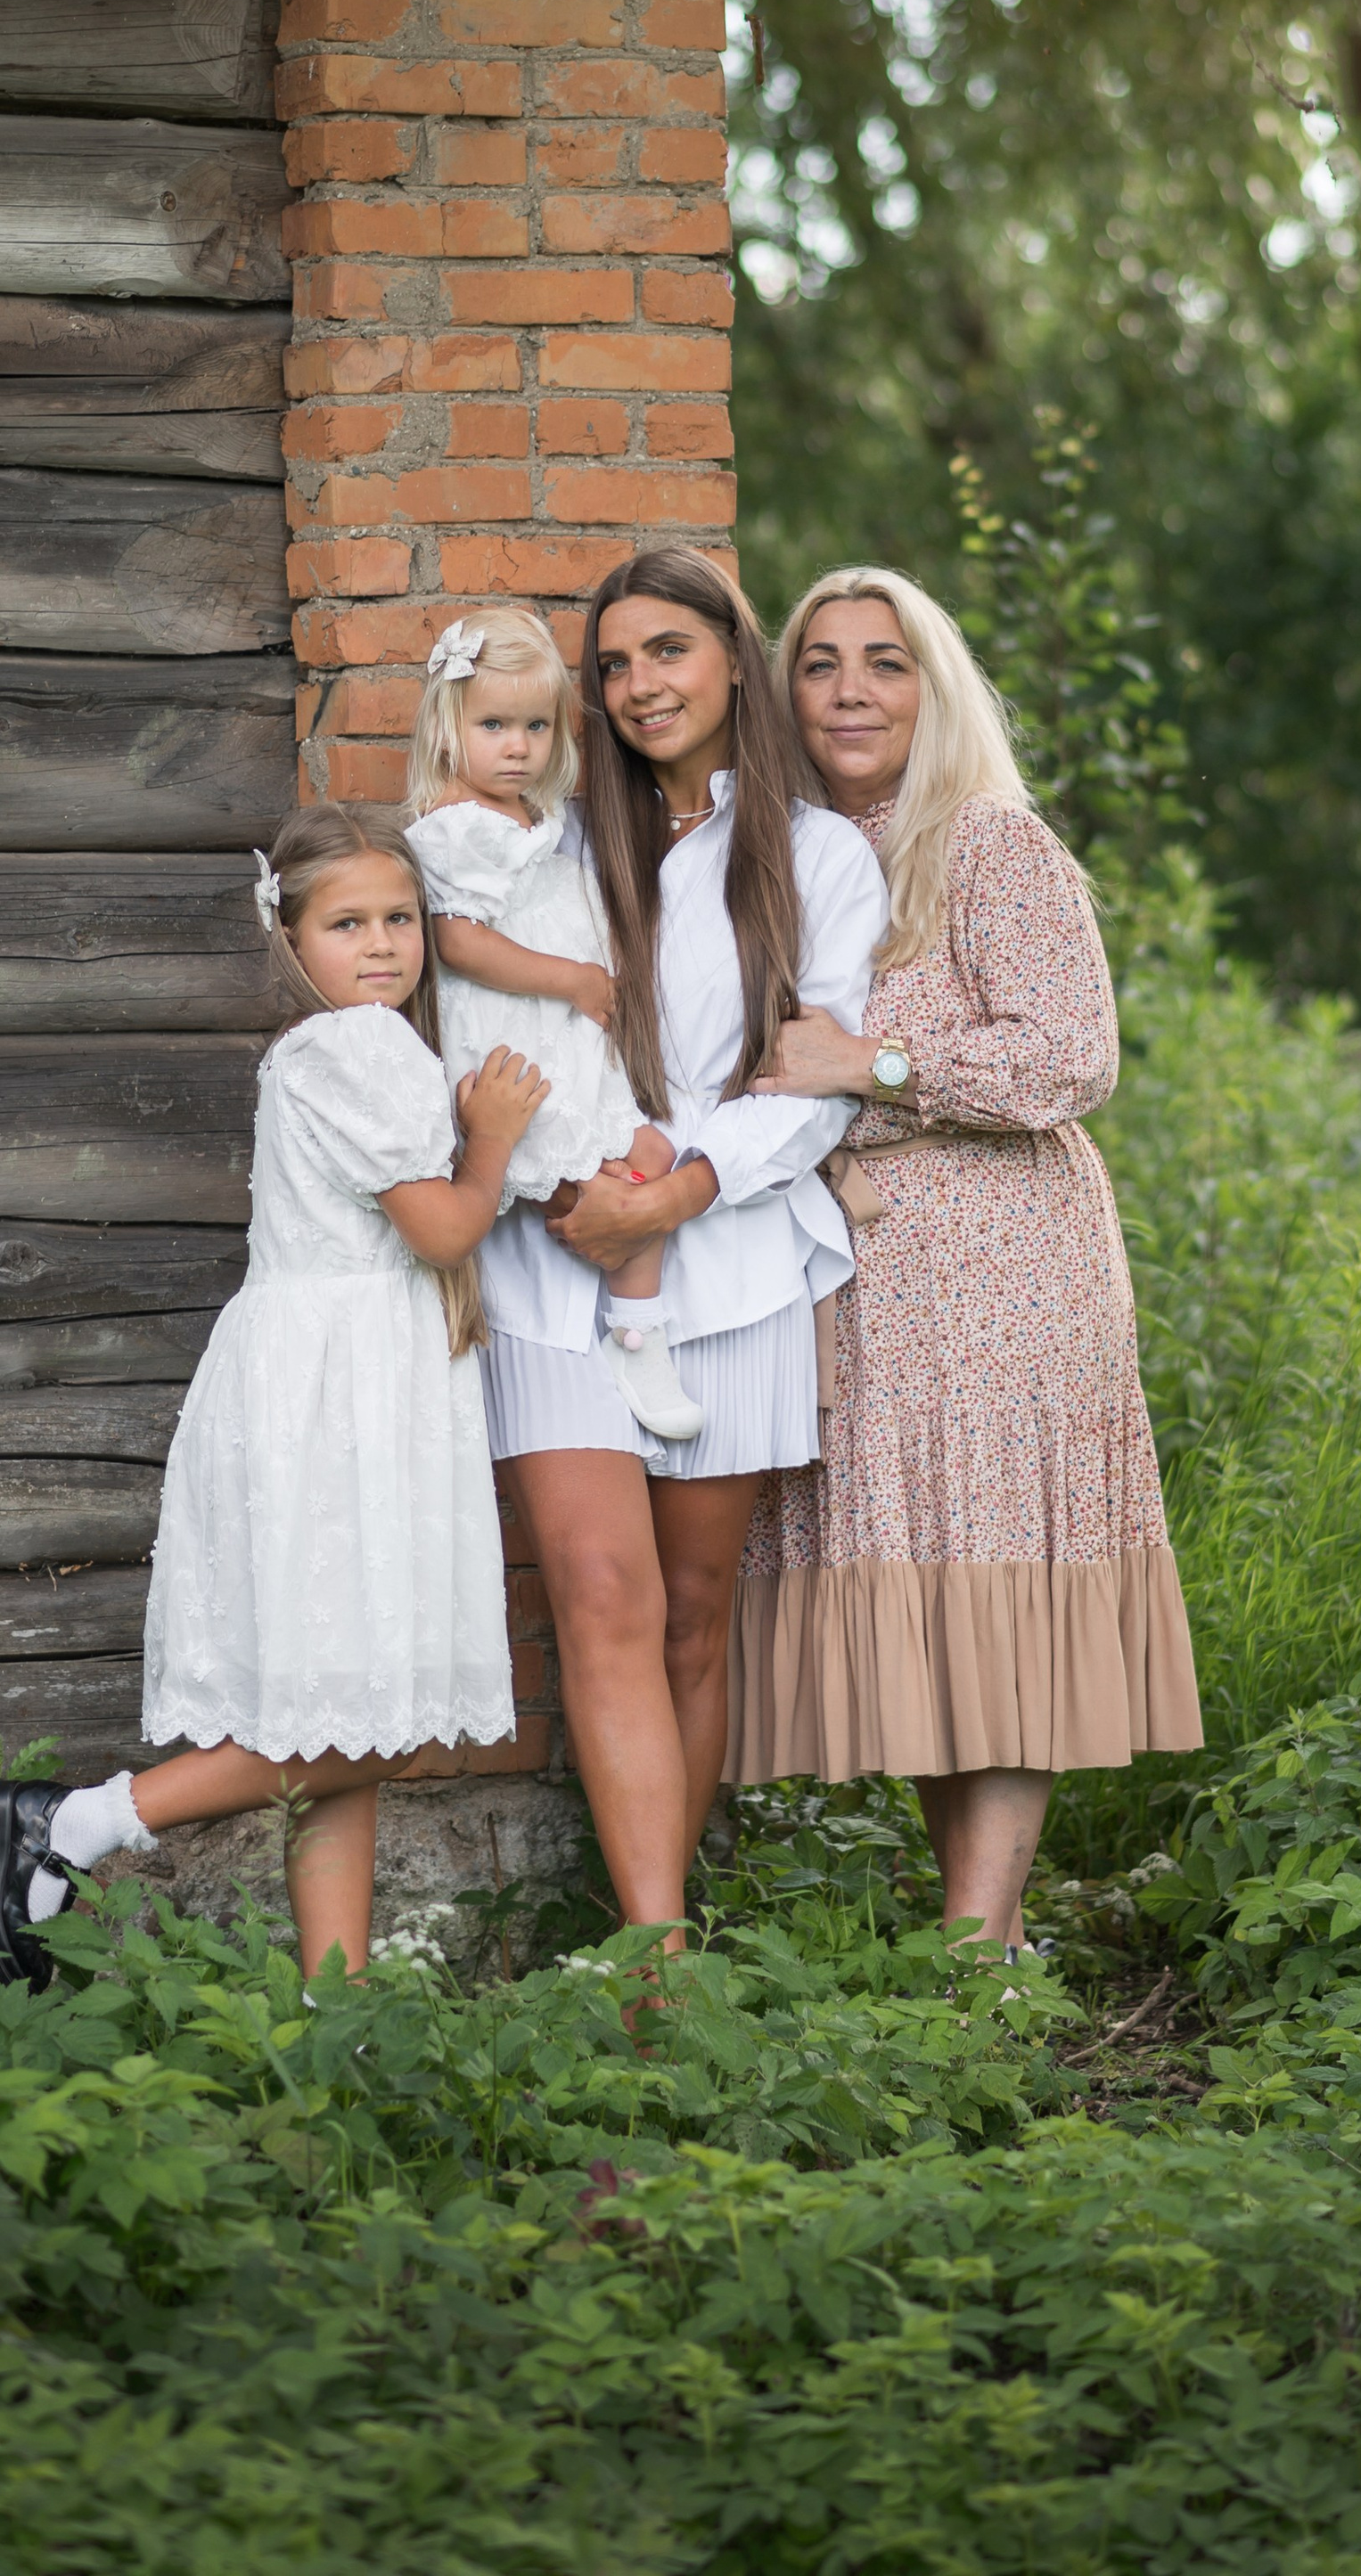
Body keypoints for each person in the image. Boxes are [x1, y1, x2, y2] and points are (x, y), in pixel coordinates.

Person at [0, 805, 548, 1987]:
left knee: (347, 1723)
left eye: (399, 918)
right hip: (344, 1399)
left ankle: (333, 2004)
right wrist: (491, 1139)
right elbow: (441, 1228)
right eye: (347, 923)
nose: (381, 944)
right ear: (288, 937)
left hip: (328, 1377)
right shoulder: (355, 1050)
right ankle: (79, 1821)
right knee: (340, 1721)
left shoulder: (342, 1047)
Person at [733, 568, 1203, 1960]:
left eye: (887, 662)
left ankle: (972, 1956)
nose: (852, 691)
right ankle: (983, 1948)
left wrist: (874, 1062)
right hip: (865, 1282)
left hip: (1006, 1270)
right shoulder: (791, 860)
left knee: (999, 1583)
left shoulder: (988, 843)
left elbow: (1075, 1054)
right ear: (787, 695)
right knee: (937, 1604)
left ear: (935, 690)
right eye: (820, 665)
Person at [477, 545, 891, 1938]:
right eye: (615, 664)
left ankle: (666, 1937)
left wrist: (683, 1188)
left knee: (692, 1614)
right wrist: (562, 1181)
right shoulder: (555, 845)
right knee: (601, 1592)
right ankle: (656, 1965)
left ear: (731, 656)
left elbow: (816, 1078)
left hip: (728, 1260)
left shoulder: (819, 855)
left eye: (668, 649)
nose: (640, 682)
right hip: (556, 1255)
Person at [406, 601, 702, 1442]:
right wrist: (572, 979)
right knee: (616, 1189)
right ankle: (634, 1337)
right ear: (445, 729)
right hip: (519, 1048)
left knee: (650, 1160)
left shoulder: (530, 820)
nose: (519, 746)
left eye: (536, 726)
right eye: (494, 724)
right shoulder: (457, 830)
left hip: (569, 1048)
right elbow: (459, 944)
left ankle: (633, 1327)